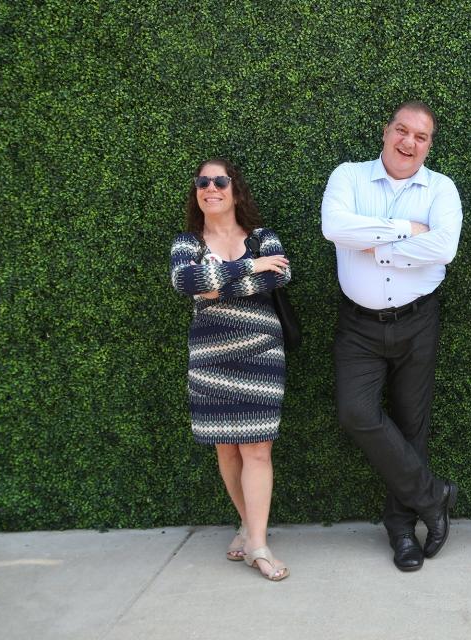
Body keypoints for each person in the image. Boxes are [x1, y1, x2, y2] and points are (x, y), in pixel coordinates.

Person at [321, 101, 463, 572]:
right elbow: (335, 228)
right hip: (359, 325)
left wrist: (374, 245)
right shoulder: (349, 177)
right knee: (355, 412)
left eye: (420, 137)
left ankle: (402, 533)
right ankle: (433, 494)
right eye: (402, 131)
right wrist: (405, 232)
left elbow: (443, 248)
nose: (409, 143)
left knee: (411, 425)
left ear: (429, 145)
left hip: (418, 320)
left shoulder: (441, 188)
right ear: (386, 132)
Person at [169, 158, 292, 581]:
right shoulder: (187, 241)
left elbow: (280, 275)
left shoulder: (262, 237)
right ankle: (246, 525)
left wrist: (217, 281)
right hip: (210, 360)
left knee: (258, 448)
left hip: (261, 354)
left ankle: (257, 543)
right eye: (203, 182)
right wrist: (248, 267)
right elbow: (185, 282)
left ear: (235, 189)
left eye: (220, 180)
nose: (211, 187)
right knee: (227, 448)